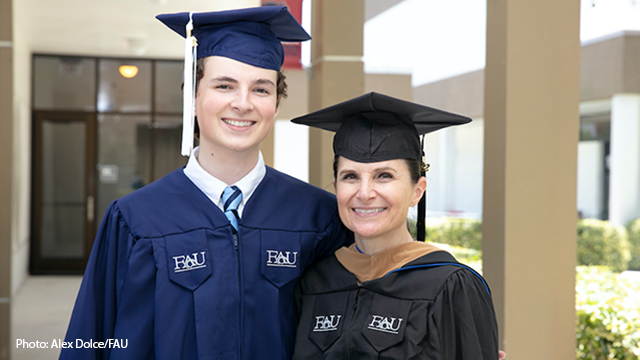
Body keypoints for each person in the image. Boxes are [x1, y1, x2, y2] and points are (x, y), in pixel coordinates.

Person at [59, 6, 349, 360]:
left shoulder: (317, 217)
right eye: (224, 85)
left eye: (261, 89)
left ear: (276, 103)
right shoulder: (135, 220)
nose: (242, 104)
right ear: (192, 97)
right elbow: (91, 339)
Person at [290, 92, 499, 359]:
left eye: (384, 176)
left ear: (417, 191)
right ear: (336, 187)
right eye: (350, 176)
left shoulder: (449, 286)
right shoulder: (314, 283)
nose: (364, 193)